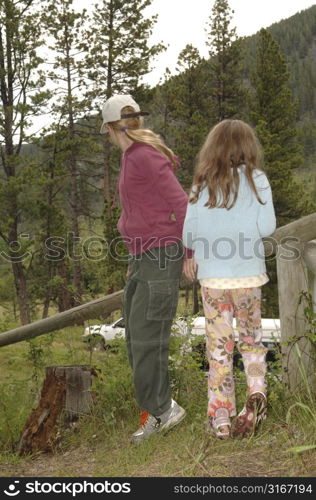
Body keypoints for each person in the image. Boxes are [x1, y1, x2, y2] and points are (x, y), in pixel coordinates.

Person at [100, 94, 191, 444]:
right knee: (136, 336)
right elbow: (141, 213)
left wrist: (191, 251)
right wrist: (134, 261)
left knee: (147, 335)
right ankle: (157, 409)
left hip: (162, 254)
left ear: (111, 127)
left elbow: (180, 204)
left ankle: (163, 411)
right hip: (143, 258)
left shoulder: (145, 156)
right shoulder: (132, 157)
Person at [182, 119, 276, 439]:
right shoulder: (258, 180)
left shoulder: (201, 183)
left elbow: (189, 234)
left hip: (214, 281)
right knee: (251, 340)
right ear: (248, 147)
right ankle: (257, 394)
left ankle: (221, 416)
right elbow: (267, 229)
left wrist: (194, 253)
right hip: (249, 277)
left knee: (219, 348)